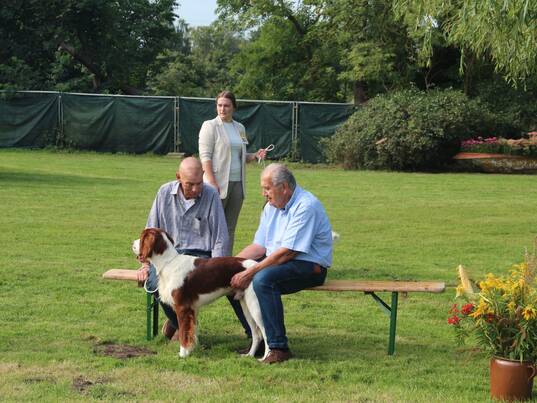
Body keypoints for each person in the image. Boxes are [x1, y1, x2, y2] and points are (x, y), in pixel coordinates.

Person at [231, 163, 333, 364]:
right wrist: (230, 265)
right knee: (232, 278)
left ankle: (279, 348)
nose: (263, 194)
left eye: (267, 188)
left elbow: (287, 253)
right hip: (279, 260)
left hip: (310, 266)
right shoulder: (270, 207)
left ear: (284, 187)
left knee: (263, 279)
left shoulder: (306, 206)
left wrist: (250, 272)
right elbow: (259, 247)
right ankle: (259, 339)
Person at [136, 157, 238, 340]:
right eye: (190, 184)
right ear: (178, 177)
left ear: (204, 176)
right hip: (168, 257)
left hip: (199, 257)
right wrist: (145, 266)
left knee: (233, 281)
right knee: (152, 284)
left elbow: (220, 237)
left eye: (199, 183)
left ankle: (181, 326)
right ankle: (179, 323)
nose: (196, 189)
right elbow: (150, 229)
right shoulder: (164, 192)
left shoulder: (211, 195)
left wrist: (217, 267)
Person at [198, 90, 267, 255]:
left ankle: (225, 262)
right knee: (212, 225)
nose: (222, 109)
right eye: (219, 105)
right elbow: (205, 157)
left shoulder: (239, 127)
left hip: (238, 184)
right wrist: (212, 182)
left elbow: (241, 156)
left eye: (226, 106)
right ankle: (206, 261)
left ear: (233, 107)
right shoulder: (209, 126)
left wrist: (255, 156)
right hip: (216, 183)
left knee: (230, 227)